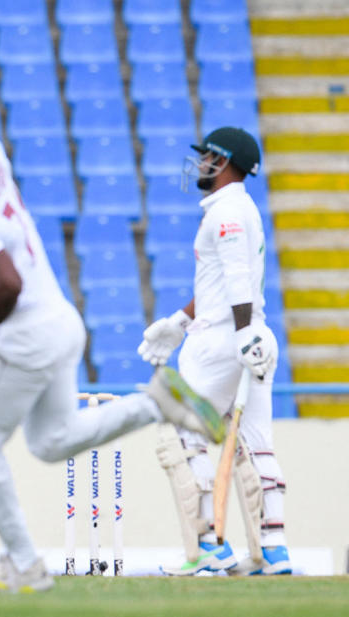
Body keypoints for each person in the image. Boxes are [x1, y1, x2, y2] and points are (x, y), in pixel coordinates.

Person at [0, 12, 225, 594]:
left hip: (20, 334)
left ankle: (23, 562)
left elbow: (6, 286)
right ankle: (155, 402)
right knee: (51, 441)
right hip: (62, 323)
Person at [140, 127, 291, 576]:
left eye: (206, 157)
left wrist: (238, 332)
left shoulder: (225, 211)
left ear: (222, 162)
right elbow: (220, 283)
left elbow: (237, 275)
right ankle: (273, 550)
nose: (200, 164)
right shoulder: (244, 209)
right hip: (253, 336)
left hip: (225, 339)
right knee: (258, 445)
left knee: (184, 434)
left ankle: (209, 546)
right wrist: (178, 322)